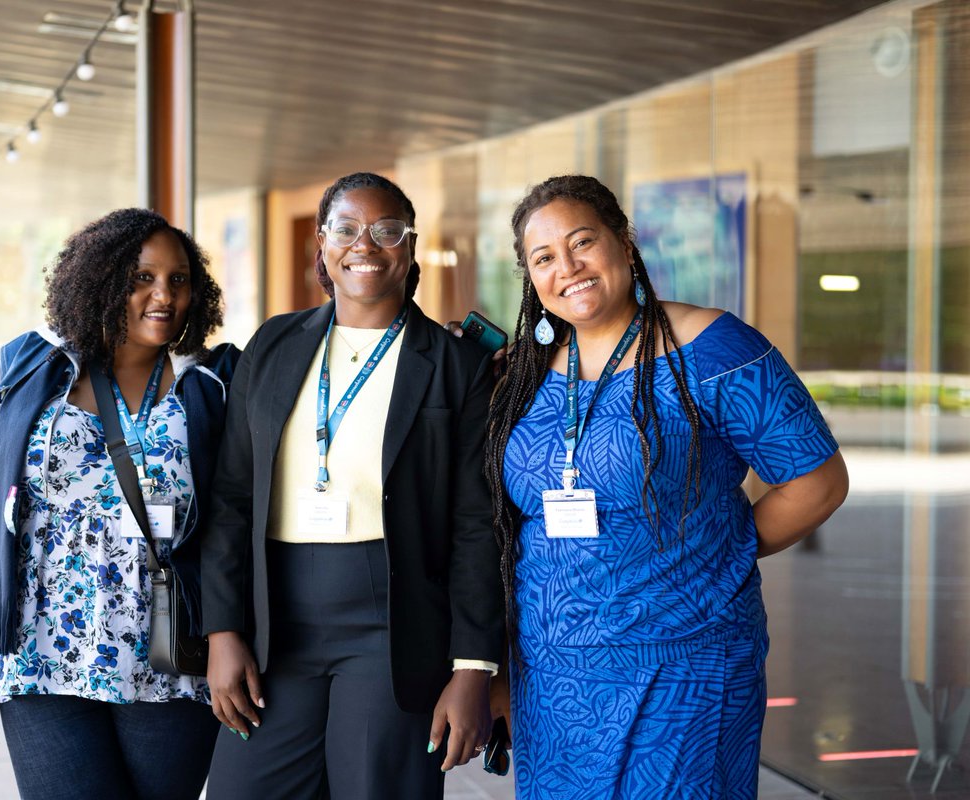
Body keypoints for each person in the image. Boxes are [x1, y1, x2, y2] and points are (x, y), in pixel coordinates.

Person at [485, 175, 848, 799]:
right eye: (544, 258)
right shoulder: (522, 371)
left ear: (624, 243)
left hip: (684, 661)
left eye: (583, 242)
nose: (568, 268)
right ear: (530, 276)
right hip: (552, 673)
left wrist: (723, 546)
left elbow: (818, 481)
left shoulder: (711, 347)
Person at [0, 208, 236, 800]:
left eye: (179, 279)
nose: (164, 295)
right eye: (142, 278)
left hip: (171, 659)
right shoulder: (22, 371)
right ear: (102, 280)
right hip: (39, 654)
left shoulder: (211, 383)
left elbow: (238, 519)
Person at [201, 172, 505, 800]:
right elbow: (231, 496)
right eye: (345, 229)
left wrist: (473, 667)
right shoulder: (274, 344)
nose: (364, 244)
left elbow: (478, 525)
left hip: (390, 627)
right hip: (272, 625)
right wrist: (223, 630)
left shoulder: (456, 364)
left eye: (387, 230)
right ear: (322, 245)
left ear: (410, 246)